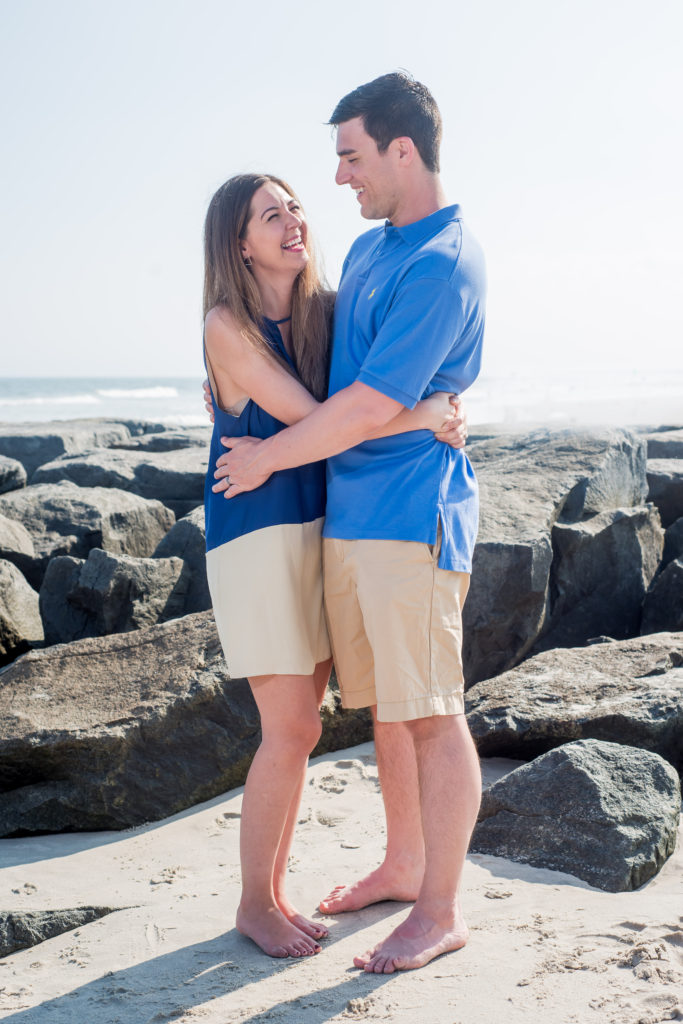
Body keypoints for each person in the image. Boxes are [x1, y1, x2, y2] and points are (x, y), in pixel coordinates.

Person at [212, 72, 486, 974]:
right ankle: (402, 863)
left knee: (431, 712)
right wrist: (419, 411)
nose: (335, 184)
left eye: (349, 157)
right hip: (335, 520)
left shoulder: (440, 259)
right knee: (387, 714)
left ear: (400, 150)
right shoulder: (367, 254)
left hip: (410, 516)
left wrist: (276, 457)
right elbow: (332, 401)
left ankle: (436, 907)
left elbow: (361, 403)